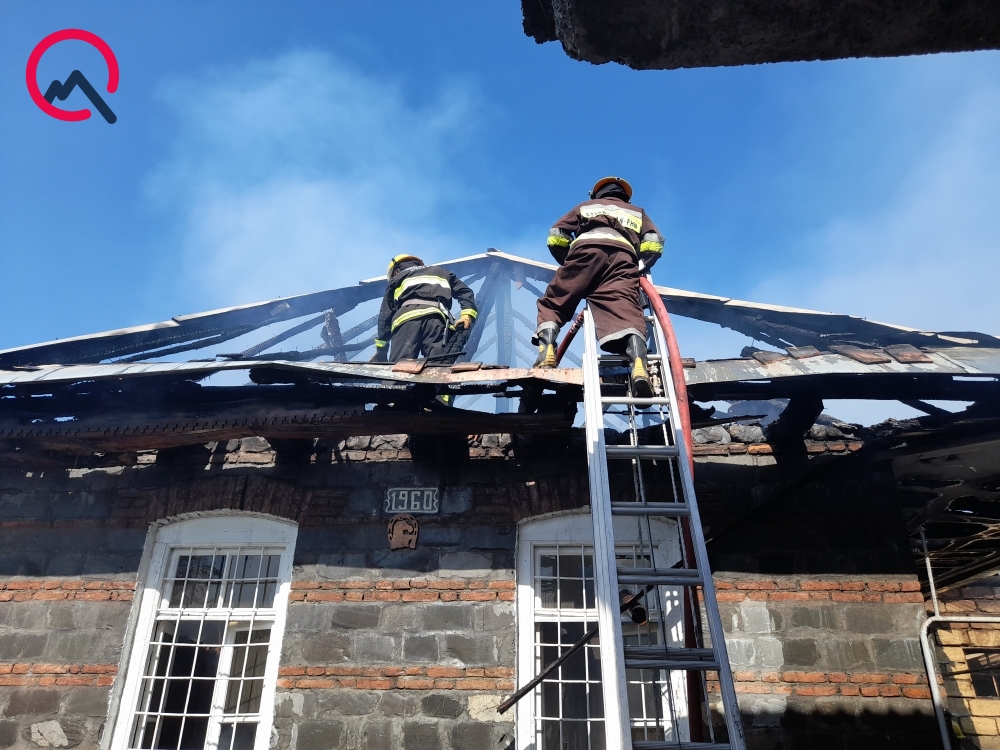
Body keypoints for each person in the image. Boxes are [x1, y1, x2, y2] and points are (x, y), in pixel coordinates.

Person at [533, 177, 664, 397]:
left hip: (585, 251)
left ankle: (546, 351)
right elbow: (654, 241)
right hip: (623, 260)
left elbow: (556, 236)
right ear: (626, 196)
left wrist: (569, 263)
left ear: (596, 194)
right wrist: (640, 264)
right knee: (627, 310)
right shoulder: (637, 212)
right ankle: (639, 365)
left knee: (556, 300)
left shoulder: (586, 206)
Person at [371, 254, 478, 362]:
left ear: (395, 271)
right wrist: (467, 315)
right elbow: (465, 292)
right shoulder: (441, 272)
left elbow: (385, 316)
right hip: (436, 321)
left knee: (399, 367)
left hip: (405, 323)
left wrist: (381, 351)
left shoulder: (396, 279)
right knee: (439, 364)